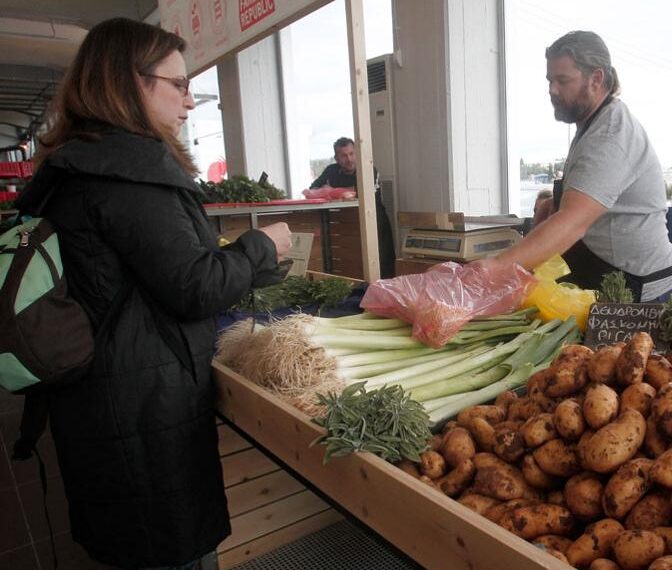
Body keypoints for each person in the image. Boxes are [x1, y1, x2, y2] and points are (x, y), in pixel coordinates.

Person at [14, 18, 292, 569]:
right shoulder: (129, 174)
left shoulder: (78, 163)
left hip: (101, 395)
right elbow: (194, 288)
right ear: (129, 83)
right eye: (179, 84)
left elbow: (146, 272)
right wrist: (262, 245)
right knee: (170, 549)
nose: (189, 101)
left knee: (133, 543)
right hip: (141, 406)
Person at [485, 31, 672, 302]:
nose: (552, 90)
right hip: (605, 275)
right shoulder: (593, 124)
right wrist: (552, 204)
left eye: (563, 80)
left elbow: (572, 223)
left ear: (596, 79)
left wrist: (490, 271)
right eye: (550, 80)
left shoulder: (610, 134)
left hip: (641, 292)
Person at [309, 137, 396, 277]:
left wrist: (331, 191)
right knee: (350, 265)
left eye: (351, 154)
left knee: (382, 264)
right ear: (336, 158)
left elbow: (361, 193)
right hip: (344, 226)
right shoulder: (331, 170)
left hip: (374, 223)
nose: (349, 159)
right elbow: (312, 190)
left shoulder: (368, 169)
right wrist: (339, 193)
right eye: (343, 155)